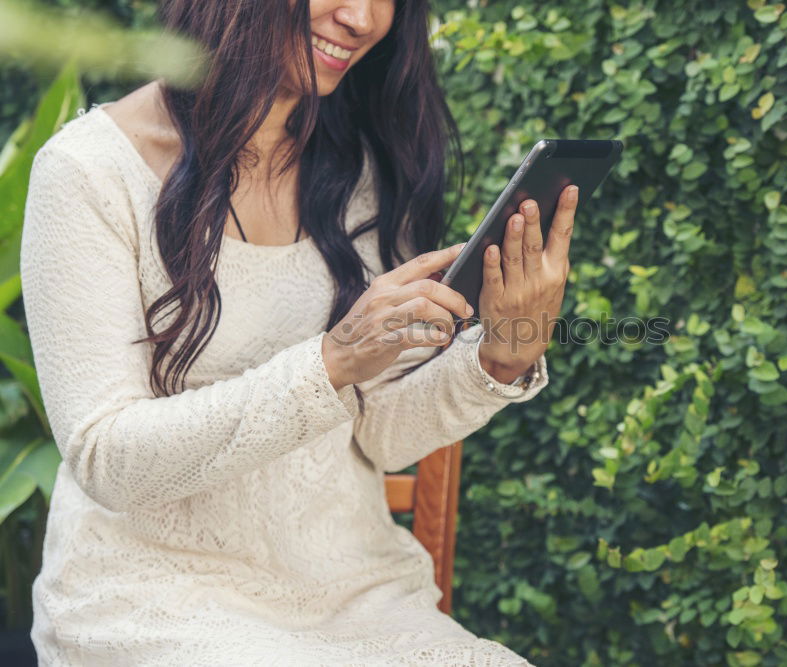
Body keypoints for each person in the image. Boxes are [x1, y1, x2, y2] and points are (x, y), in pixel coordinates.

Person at [19, 0, 578, 664]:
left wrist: (499, 361)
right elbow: (106, 457)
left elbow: (380, 432)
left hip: (354, 595)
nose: (365, 19)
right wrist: (332, 360)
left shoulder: (361, 169)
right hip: (155, 600)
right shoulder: (89, 172)